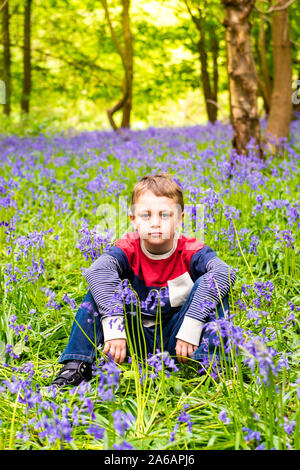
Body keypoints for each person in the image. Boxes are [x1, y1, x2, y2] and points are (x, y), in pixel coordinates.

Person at [52, 173, 237, 388]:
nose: (156, 223)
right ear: (134, 220)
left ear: (180, 218)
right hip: (133, 337)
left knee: (214, 286)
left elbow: (224, 272)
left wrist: (192, 324)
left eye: (165, 215)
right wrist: (113, 326)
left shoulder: (190, 249)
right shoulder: (128, 248)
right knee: (98, 287)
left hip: (179, 339)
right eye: (146, 215)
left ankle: (213, 365)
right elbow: (98, 271)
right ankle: (76, 364)